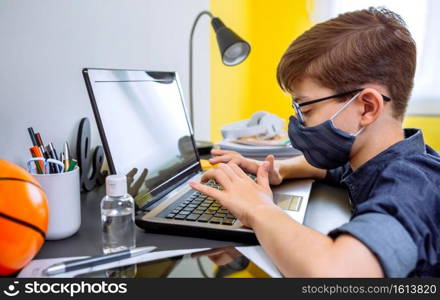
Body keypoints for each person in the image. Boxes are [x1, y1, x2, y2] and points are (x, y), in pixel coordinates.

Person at [189, 7, 440, 277]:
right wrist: (278, 170)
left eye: (306, 110)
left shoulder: (415, 186)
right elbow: (331, 169)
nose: (299, 123)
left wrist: (257, 207)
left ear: (366, 107)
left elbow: (338, 275)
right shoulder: (377, 159)